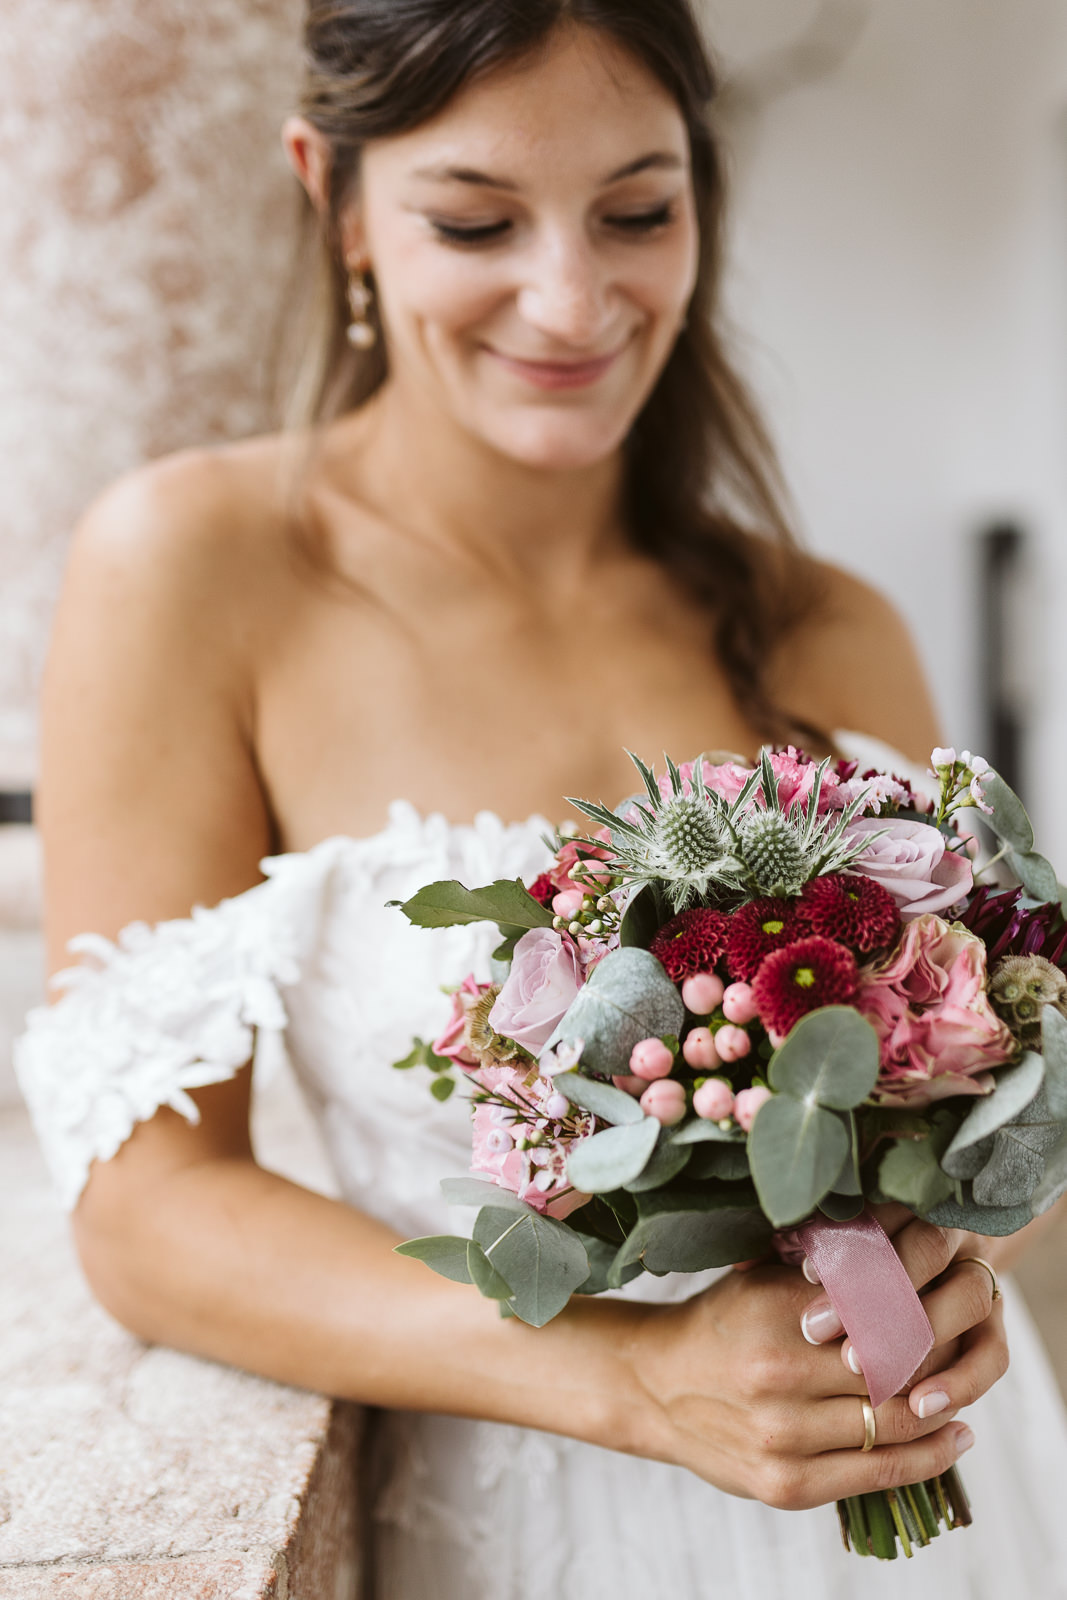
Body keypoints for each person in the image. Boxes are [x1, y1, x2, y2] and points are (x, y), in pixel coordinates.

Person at [15, 3, 1067, 1596]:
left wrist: (964, 1256)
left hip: (943, 1518)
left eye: (638, 211)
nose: (573, 299)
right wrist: (627, 1377)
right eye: (474, 220)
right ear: (335, 200)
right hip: (536, 1525)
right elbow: (149, 1210)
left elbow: (992, 1107)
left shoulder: (832, 626)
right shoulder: (193, 573)